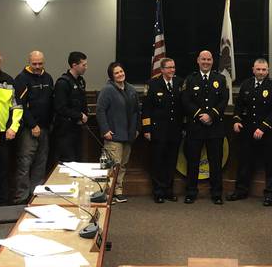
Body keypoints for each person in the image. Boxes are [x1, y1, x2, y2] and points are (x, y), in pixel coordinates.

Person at [229, 58, 272, 206]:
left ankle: (270, 194)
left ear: (268, 70)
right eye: (258, 69)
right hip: (247, 131)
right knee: (244, 162)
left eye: (264, 69)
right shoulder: (246, 85)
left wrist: (263, 128)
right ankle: (241, 190)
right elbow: (239, 105)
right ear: (253, 69)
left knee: (270, 164)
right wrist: (236, 120)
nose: (261, 72)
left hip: (268, 132)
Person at [182, 50, 229, 205]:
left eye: (209, 59)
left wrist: (211, 115)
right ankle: (191, 192)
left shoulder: (220, 79)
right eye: (203, 59)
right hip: (195, 128)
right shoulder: (190, 79)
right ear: (198, 60)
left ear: (212, 61)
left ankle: (216, 193)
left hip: (215, 127)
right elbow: (186, 100)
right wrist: (199, 114)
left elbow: (223, 100)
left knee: (215, 162)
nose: (206, 62)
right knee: (193, 161)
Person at [96, 62, 140, 204]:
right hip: (113, 135)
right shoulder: (107, 90)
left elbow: (137, 111)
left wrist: (137, 128)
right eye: (116, 73)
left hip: (129, 135)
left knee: (122, 165)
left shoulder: (131, 89)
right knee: (113, 165)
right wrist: (105, 130)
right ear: (112, 76)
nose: (120, 74)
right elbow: (100, 111)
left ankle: (118, 192)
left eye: (121, 71)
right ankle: (107, 193)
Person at [13, 51, 54, 204]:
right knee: (25, 163)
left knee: (41, 163)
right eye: (34, 64)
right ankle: (22, 198)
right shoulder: (22, 79)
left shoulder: (48, 78)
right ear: (29, 62)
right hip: (28, 129)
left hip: (45, 128)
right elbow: (21, 106)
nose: (37, 67)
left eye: (40, 64)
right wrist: (33, 125)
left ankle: (35, 196)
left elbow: (51, 102)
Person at [142, 58, 183, 203]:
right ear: (162, 69)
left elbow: (181, 108)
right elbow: (146, 109)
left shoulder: (179, 83)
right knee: (158, 162)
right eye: (169, 68)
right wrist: (147, 128)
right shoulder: (152, 84)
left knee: (171, 162)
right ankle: (158, 191)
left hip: (174, 131)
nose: (172, 70)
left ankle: (168, 190)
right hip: (158, 130)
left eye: (173, 67)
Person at [0, 51, 23, 206]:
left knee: (0, 172)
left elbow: (17, 107)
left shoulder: (8, 81)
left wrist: (13, 128)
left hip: (2, 134)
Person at [53, 51, 88, 162]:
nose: (86, 67)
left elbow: (82, 102)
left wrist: (83, 116)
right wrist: (78, 115)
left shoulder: (81, 81)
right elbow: (60, 107)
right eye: (84, 65)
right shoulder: (63, 83)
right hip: (65, 130)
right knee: (68, 160)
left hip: (77, 128)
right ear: (74, 65)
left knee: (78, 158)